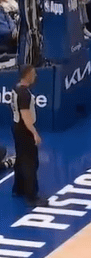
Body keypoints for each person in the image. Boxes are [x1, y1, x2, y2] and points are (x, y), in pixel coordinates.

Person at [11, 65, 46, 207]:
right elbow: (26, 116)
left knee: (20, 159)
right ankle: (32, 197)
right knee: (30, 163)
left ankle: (18, 189)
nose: (35, 76)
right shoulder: (24, 94)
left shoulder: (16, 88)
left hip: (16, 127)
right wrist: (34, 133)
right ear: (27, 75)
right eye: (33, 73)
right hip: (25, 131)